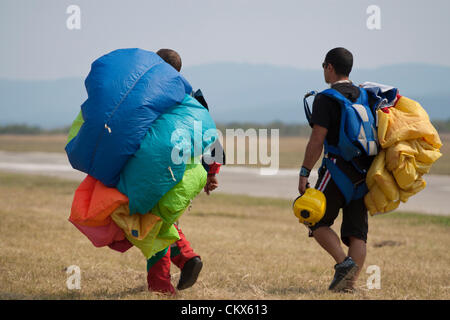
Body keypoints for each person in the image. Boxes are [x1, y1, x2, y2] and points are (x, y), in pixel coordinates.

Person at [143, 48, 223, 294]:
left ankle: (161, 284)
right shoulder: (192, 97)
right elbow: (210, 133)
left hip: (162, 171)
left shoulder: (151, 95)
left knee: (154, 224)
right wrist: (212, 173)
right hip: (190, 173)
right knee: (161, 222)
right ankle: (186, 258)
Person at [298, 47, 376, 292]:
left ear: (329, 67)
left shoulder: (326, 98)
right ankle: (348, 286)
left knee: (312, 218)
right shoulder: (364, 95)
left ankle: (343, 264)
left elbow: (317, 140)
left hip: (335, 170)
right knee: (357, 234)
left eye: (324, 65)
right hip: (363, 173)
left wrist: (304, 172)